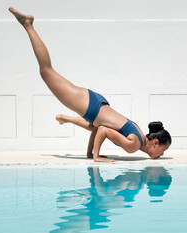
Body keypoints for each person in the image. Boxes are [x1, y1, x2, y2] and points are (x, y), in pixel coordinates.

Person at [9, 7, 172, 162]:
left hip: (96, 105)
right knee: (46, 71)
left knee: (47, 73)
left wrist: (89, 153)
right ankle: (28, 25)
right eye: (163, 150)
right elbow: (103, 130)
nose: (162, 154)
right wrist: (96, 156)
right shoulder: (133, 145)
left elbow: (98, 127)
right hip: (91, 106)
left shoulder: (138, 135)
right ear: (155, 142)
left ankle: (68, 119)